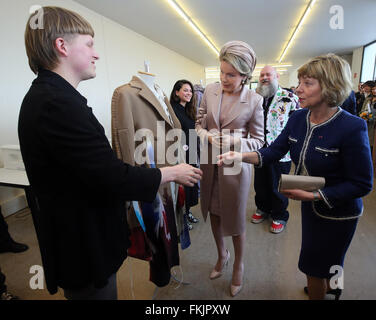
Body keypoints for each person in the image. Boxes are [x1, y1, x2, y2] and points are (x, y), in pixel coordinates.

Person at [19, 6, 202, 300]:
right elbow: (110, 173)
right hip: (85, 245)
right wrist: (172, 173)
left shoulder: (54, 97)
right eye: (89, 43)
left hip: (84, 237)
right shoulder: (57, 104)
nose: (96, 54)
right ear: (62, 46)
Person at [218, 53, 373, 300]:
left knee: (319, 262)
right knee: (324, 261)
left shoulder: (352, 126)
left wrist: (315, 195)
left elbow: (362, 183)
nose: (298, 89)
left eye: (307, 83)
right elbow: (274, 151)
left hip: (340, 212)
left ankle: (324, 289)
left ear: (331, 86)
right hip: (311, 207)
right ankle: (330, 288)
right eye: (299, 82)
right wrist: (240, 157)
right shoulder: (298, 118)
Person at [196, 41, 264, 297]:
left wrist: (237, 141)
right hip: (210, 162)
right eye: (221, 72)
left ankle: (238, 264)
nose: (224, 78)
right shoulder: (211, 91)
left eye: (231, 75)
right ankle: (221, 255)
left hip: (236, 167)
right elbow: (198, 123)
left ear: (245, 75)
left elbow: (259, 140)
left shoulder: (254, 100)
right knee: (213, 213)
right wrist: (208, 137)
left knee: (234, 220)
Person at [252, 66, 299, 233]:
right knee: (260, 183)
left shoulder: (290, 98)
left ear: (277, 77)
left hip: (281, 150)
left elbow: (297, 125)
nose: (264, 77)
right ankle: (263, 208)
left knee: (278, 185)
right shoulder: (255, 97)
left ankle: (279, 215)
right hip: (259, 150)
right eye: (262, 75)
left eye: (268, 74)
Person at [170, 80, 200, 229]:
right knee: (183, 186)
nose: (189, 93)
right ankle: (181, 217)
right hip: (182, 153)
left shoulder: (189, 109)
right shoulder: (173, 110)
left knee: (191, 184)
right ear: (176, 92)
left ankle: (187, 212)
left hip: (192, 151)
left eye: (190, 91)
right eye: (185, 90)